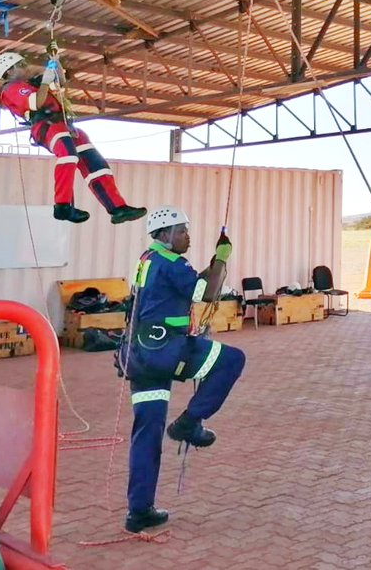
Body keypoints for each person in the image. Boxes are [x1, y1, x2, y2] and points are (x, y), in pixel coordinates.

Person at [118, 207, 246, 533]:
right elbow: (208, 292)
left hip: (141, 355)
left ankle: (139, 511)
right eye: (182, 231)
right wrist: (222, 259)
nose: (188, 236)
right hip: (167, 350)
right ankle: (189, 422)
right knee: (231, 360)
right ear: (165, 234)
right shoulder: (172, 263)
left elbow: (190, 285)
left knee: (147, 432)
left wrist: (214, 264)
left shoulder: (148, 260)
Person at [0, 50, 145, 225]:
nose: (25, 67)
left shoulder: (32, 82)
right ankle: (63, 206)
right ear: (9, 71)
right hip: (46, 125)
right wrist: (45, 82)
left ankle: (117, 207)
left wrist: (55, 62)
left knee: (95, 164)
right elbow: (36, 103)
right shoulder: (12, 88)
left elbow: (60, 82)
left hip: (64, 124)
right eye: (20, 65)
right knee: (68, 156)